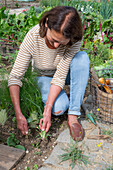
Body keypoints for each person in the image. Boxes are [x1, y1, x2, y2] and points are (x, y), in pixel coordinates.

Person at [8, 6, 90, 141]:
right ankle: (58, 98)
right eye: (53, 40)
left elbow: (61, 74)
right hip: (43, 75)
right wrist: (18, 114)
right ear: (47, 24)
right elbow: (15, 76)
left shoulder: (74, 38)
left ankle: (73, 116)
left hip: (64, 73)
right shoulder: (33, 36)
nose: (57, 46)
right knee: (58, 108)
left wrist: (47, 110)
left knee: (82, 59)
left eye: (61, 42)